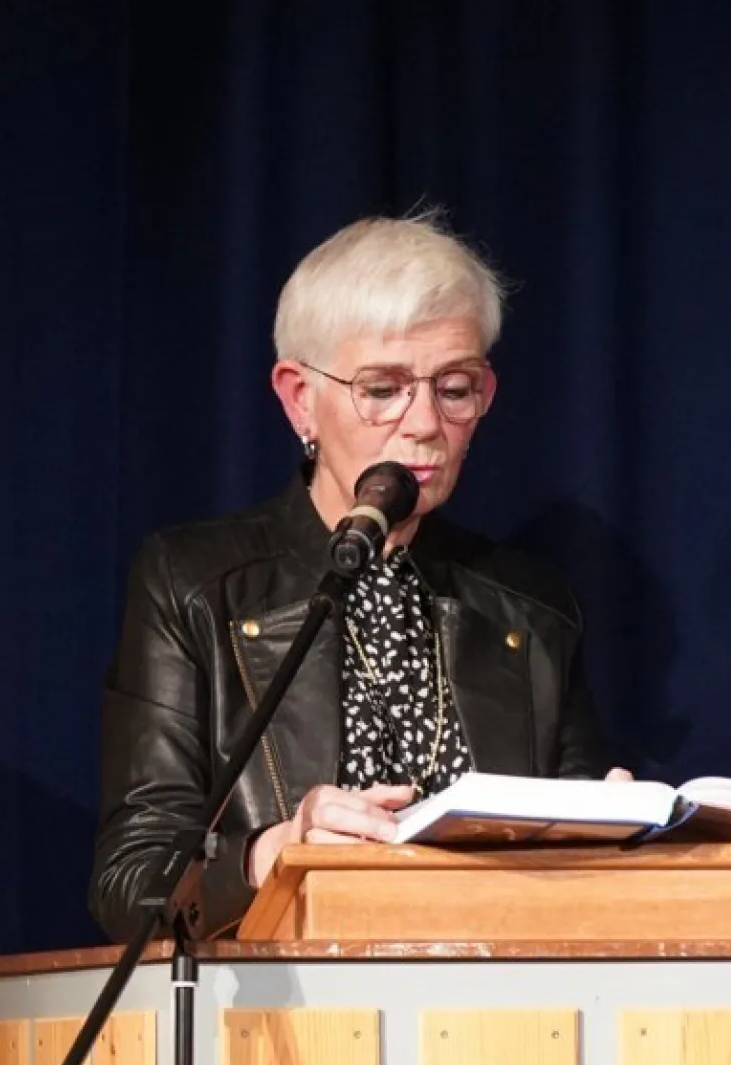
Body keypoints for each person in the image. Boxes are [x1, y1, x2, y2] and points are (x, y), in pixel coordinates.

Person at [90, 212, 628, 939]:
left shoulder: (530, 608)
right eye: (382, 389)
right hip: (287, 1001)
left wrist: (612, 837)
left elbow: (585, 892)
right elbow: (130, 883)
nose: (425, 423)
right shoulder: (194, 584)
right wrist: (274, 852)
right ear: (299, 399)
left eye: (455, 388)